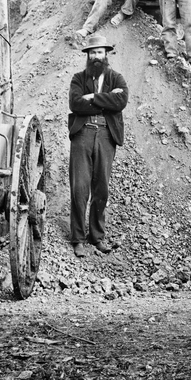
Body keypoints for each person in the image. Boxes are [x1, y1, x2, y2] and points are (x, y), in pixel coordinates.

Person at [67, 34, 129, 257]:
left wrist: (91, 97)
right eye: (92, 52)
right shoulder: (78, 78)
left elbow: (121, 101)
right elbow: (75, 104)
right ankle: (78, 238)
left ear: (106, 55)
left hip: (105, 135)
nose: (96, 56)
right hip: (82, 134)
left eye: (99, 52)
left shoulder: (116, 78)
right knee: (79, 188)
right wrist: (104, 100)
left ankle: (97, 236)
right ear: (88, 55)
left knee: (101, 188)